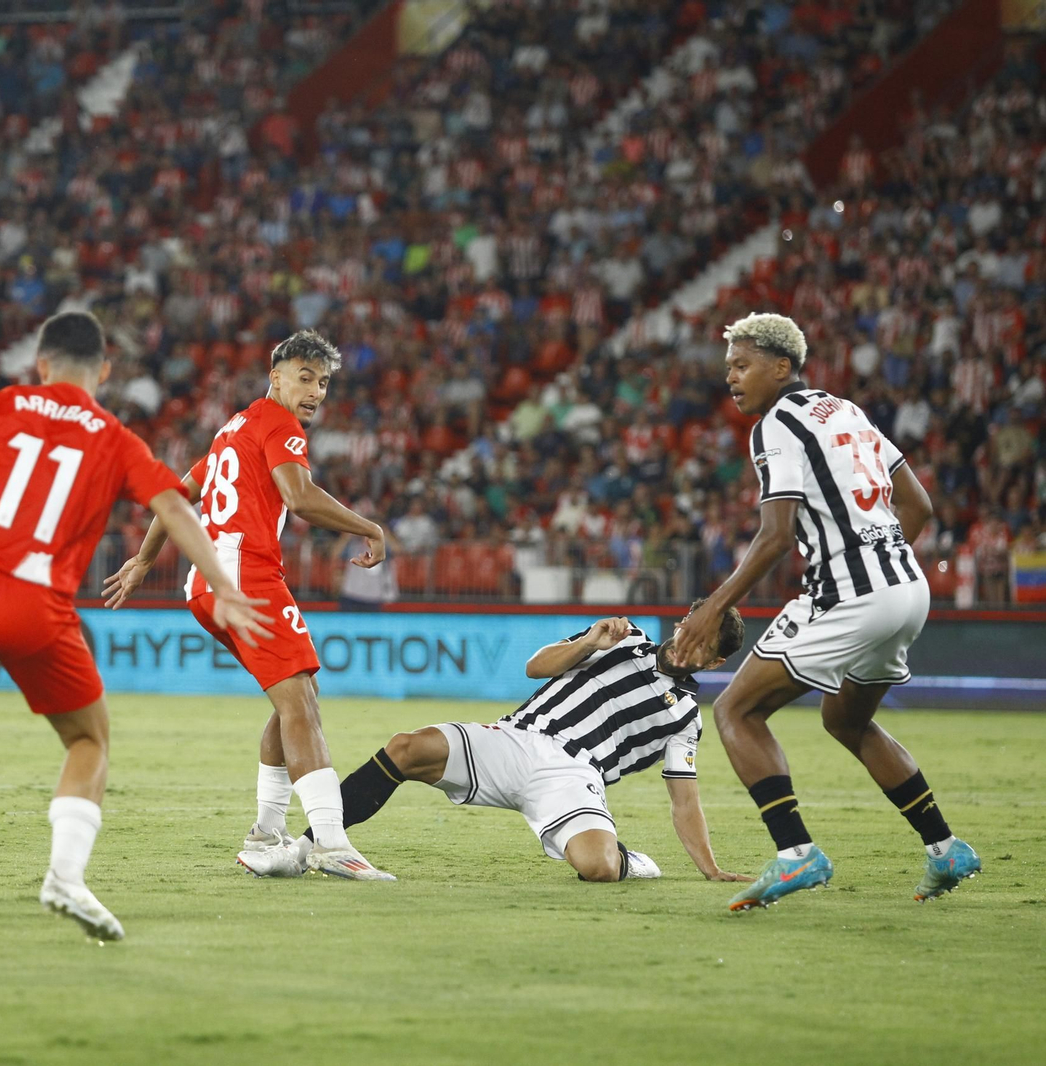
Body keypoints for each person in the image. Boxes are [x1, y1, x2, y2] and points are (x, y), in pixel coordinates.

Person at [0, 311, 271, 943]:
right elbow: (174, 504)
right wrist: (224, 587)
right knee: (88, 741)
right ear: (104, 372)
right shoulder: (115, 438)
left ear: (40, 365)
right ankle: (64, 876)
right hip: (36, 603)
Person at [673, 313, 981, 912]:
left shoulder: (775, 426)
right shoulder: (845, 409)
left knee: (737, 709)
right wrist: (880, 562)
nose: (731, 379)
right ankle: (945, 848)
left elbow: (775, 535)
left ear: (781, 366)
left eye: (742, 366)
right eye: (728, 369)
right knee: (845, 721)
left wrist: (714, 606)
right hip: (907, 590)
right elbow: (917, 504)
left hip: (849, 595)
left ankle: (796, 854)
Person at [104, 330, 394, 880]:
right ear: (275, 375)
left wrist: (144, 562)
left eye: (324, 383)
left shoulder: (232, 428)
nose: (314, 391)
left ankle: (266, 831)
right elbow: (300, 497)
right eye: (304, 378)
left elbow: (174, 496)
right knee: (300, 704)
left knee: (296, 697)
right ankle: (332, 844)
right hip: (245, 577)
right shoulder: (278, 425)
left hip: (208, 582)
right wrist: (370, 528)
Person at [241, 608, 753, 886]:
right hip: (515, 738)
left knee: (597, 868)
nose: (689, 640)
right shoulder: (621, 635)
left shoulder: (685, 718)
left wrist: (709, 868)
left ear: (711, 663)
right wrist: (588, 641)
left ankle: (630, 860)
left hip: (573, 776)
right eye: (694, 625)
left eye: (703, 645)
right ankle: (306, 848)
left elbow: (683, 798)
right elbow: (535, 666)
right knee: (406, 747)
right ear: (686, 617)